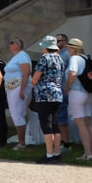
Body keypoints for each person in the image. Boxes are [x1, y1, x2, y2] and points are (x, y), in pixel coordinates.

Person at [32, 35, 65, 164]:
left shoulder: (45, 58)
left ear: (46, 47)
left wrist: (34, 83)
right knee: (55, 124)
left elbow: (37, 75)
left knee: (46, 125)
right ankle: (57, 153)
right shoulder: (59, 58)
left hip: (44, 94)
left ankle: (49, 154)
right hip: (57, 94)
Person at [64, 38, 92, 161]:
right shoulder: (86, 58)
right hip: (88, 93)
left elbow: (73, 73)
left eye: (70, 47)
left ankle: (88, 154)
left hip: (77, 92)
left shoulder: (74, 59)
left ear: (73, 48)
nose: (68, 49)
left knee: (81, 124)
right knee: (88, 124)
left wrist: (67, 87)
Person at [3, 38, 33, 151]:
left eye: (13, 42)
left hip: (19, 85)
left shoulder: (22, 55)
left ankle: (22, 143)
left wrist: (22, 89)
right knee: (15, 112)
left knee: (17, 112)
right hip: (11, 86)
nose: (11, 44)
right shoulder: (15, 57)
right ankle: (21, 141)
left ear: (19, 45)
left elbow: (26, 73)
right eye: (10, 42)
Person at [56, 33, 72, 151]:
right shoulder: (59, 54)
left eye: (59, 41)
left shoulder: (66, 54)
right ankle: (62, 141)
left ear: (65, 42)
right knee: (59, 117)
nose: (56, 43)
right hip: (59, 88)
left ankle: (66, 143)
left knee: (62, 117)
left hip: (62, 88)